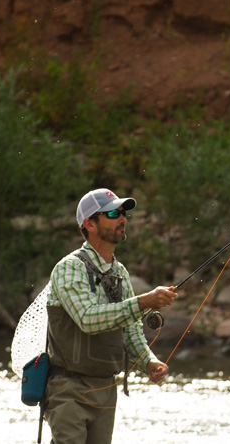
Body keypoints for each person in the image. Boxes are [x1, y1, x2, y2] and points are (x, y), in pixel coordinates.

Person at [44, 188, 178, 444]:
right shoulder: (69, 268)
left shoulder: (119, 272)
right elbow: (87, 319)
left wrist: (148, 362)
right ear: (89, 224)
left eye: (124, 213)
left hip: (106, 390)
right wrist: (144, 301)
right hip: (68, 388)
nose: (123, 218)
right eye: (113, 213)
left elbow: (130, 330)